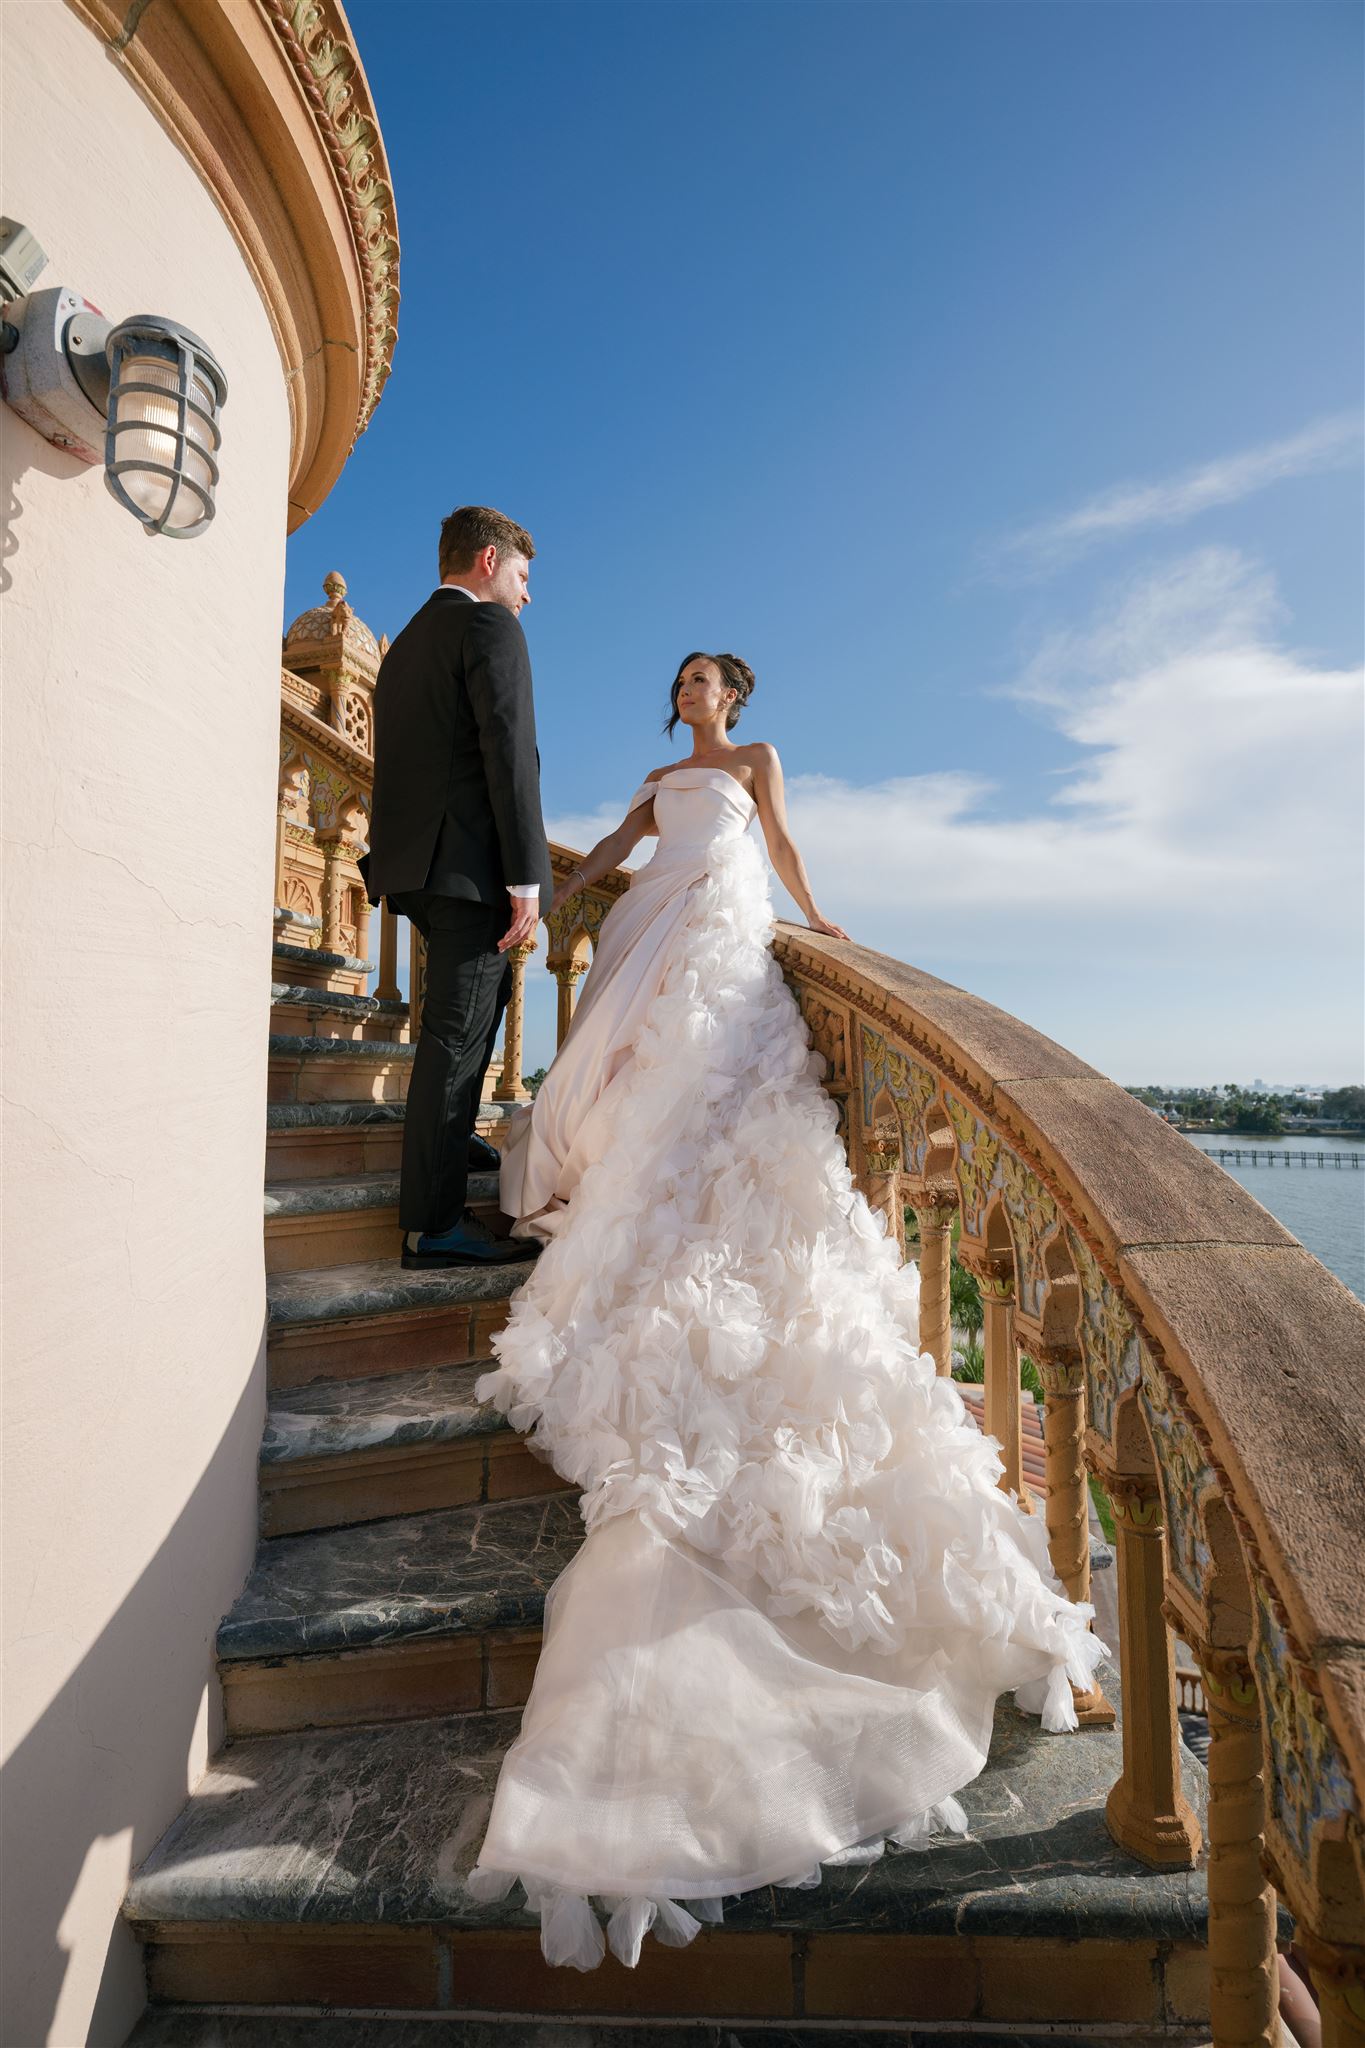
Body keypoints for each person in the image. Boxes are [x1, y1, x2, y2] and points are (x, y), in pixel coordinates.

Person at [467, 652, 1110, 1969]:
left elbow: (791, 845)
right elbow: (609, 867)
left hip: (736, 944)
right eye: (687, 679)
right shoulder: (658, 783)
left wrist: (825, 921)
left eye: (713, 681)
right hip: (665, 931)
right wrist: (567, 892)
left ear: (737, 705)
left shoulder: (753, 770)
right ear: (678, 702)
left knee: (734, 1105)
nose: (698, 691)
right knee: (654, 1097)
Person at [361, 506, 553, 1269]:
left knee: (473, 1017)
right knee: (454, 1036)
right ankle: (433, 1226)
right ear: (485, 561)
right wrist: (526, 876)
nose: (526, 595)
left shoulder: (403, 643)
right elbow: (510, 751)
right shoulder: (489, 628)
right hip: (472, 869)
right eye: (521, 576)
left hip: (418, 866)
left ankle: (454, 1139)